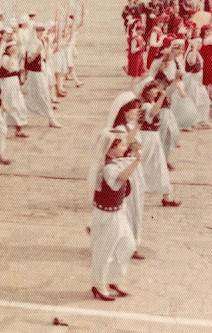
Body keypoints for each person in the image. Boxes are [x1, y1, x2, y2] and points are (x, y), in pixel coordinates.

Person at [88, 129, 138, 301]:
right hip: (107, 214)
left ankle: (114, 278)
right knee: (104, 250)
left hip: (118, 212)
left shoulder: (115, 161)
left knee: (128, 244)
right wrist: (136, 162)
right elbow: (121, 177)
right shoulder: (108, 167)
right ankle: (99, 284)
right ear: (111, 148)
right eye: (122, 145)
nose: (125, 147)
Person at [105, 92, 147, 260]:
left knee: (135, 206)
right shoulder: (120, 129)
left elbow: (136, 145)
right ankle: (128, 244)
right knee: (129, 207)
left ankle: (129, 241)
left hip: (135, 168)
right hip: (126, 168)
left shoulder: (130, 127)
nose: (137, 112)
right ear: (124, 112)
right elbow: (125, 144)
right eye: (134, 109)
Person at [136, 79, 181, 207]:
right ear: (147, 91)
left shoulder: (150, 103)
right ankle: (135, 189)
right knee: (144, 165)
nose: (157, 91)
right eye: (154, 88)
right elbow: (154, 112)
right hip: (147, 138)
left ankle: (167, 196)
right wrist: (162, 96)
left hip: (153, 137)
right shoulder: (146, 105)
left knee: (159, 165)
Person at [23, 23, 61, 128]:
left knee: (36, 96)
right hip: (35, 74)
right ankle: (51, 119)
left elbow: (46, 57)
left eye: (41, 30)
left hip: (42, 71)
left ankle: (21, 114)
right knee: (43, 95)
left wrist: (48, 46)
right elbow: (29, 60)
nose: (40, 32)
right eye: (38, 30)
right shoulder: (32, 43)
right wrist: (37, 52)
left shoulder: (42, 41)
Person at [0, 40, 29, 138]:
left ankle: (18, 129)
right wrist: (11, 56)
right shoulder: (4, 58)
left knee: (19, 105)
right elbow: (7, 67)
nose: (14, 48)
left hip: (14, 82)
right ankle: (4, 130)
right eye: (12, 47)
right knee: (8, 106)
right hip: (7, 83)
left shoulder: (15, 58)